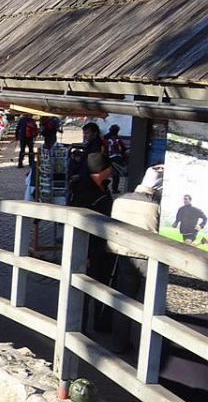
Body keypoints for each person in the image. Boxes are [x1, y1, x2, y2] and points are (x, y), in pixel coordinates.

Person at [108, 165, 163, 353]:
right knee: (148, 302)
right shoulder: (157, 206)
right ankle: (144, 348)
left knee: (124, 298)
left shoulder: (121, 200)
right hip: (148, 257)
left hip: (123, 254)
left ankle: (118, 342)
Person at [69, 152, 115, 330]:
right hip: (88, 247)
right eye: (109, 167)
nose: (112, 171)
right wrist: (85, 252)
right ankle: (79, 328)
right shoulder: (84, 191)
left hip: (103, 246)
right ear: (102, 170)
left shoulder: (102, 186)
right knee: (85, 288)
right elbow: (80, 223)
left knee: (102, 284)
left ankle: (99, 323)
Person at [103, 124, 128, 193]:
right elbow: (124, 148)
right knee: (116, 175)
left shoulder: (106, 138)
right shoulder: (117, 140)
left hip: (107, 158)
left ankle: (104, 188)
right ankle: (114, 189)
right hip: (117, 158)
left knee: (107, 173)